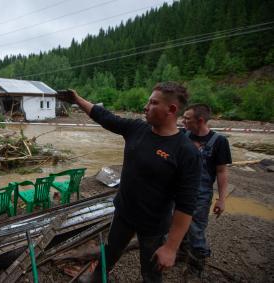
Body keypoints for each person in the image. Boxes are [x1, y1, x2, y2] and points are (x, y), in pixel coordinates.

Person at [60, 82, 201, 283]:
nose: (146, 106)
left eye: (153, 103)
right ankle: (96, 278)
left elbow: (186, 204)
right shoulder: (137, 129)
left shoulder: (186, 151)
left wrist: (170, 247)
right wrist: (77, 99)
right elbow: (105, 117)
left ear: (171, 109)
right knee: (110, 252)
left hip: (153, 224)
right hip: (124, 213)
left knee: (151, 272)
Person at [181, 103, 232, 279]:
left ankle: (196, 265)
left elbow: (221, 171)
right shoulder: (183, 135)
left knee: (196, 229)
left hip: (200, 194)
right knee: (176, 223)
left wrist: (222, 199)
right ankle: (181, 253)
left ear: (200, 120)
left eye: (187, 118)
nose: (183, 121)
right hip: (178, 190)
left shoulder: (219, 141)